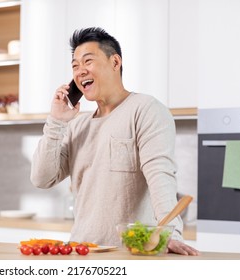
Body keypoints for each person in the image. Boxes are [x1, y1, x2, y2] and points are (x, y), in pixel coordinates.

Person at [30, 27, 199, 256]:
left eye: (88, 61)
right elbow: (41, 178)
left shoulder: (146, 110)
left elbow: (161, 175)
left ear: (115, 62)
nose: (80, 71)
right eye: (75, 66)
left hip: (131, 254)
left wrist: (171, 234)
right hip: (81, 252)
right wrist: (56, 122)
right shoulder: (77, 125)